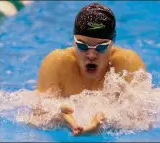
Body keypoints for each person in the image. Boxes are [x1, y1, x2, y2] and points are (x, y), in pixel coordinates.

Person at [34, 3, 146, 136]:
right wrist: (58, 116)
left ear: (112, 43)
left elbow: (144, 119)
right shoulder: (57, 62)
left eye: (101, 47)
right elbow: (35, 116)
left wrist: (107, 122)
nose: (91, 55)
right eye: (82, 46)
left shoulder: (127, 63)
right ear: (73, 41)